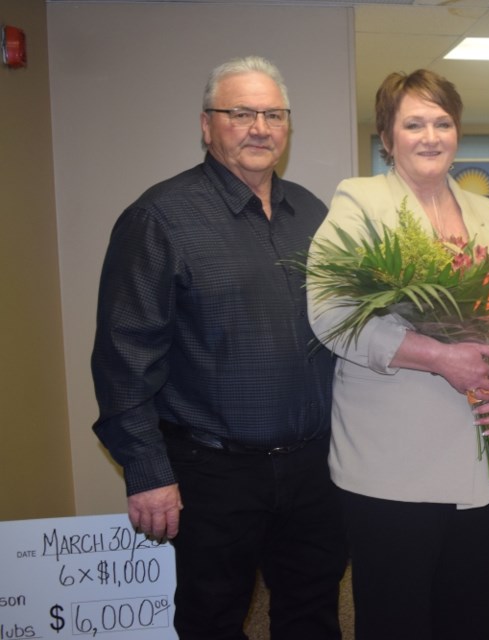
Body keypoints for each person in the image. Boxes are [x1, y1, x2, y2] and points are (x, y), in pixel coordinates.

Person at [91, 56, 347, 640]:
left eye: (273, 114)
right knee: (212, 618)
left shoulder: (311, 213)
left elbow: (344, 324)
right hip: (212, 473)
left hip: (314, 466)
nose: (259, 127)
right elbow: (124, 354)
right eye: (240, 113)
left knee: (313, 610)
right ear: (207, 125)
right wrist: (147, 469)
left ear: (287, 126)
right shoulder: (160, 218)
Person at [306, 69, 489, 640]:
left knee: (469, 614)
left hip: (485, 460)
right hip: (392, 469)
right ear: (387, 136)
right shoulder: (361, 202)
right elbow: (330, 315)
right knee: (397, 620)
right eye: (413, 123)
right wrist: (437, 356)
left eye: (442, 122)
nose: (430, 136)